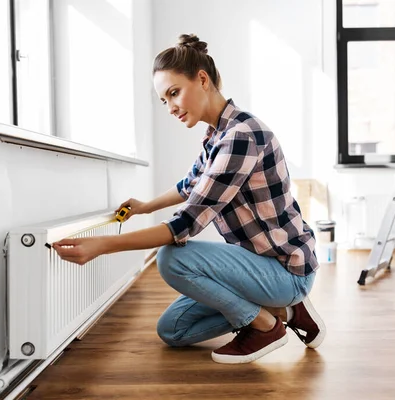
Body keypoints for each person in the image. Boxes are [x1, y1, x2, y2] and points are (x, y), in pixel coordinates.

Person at [53, 34, 326, 364]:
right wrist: (144, 206)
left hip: (285, 269)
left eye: (173, 93)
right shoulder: (216, 135)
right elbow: (190, 185)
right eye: (163, 100)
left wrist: (104, 246)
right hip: (258, 265)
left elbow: (186, 223)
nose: (170, 107)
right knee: (173, 330)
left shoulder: (241, 137)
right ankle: (285, 312)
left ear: (202, 79)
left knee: (171, 258)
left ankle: (266, 325)